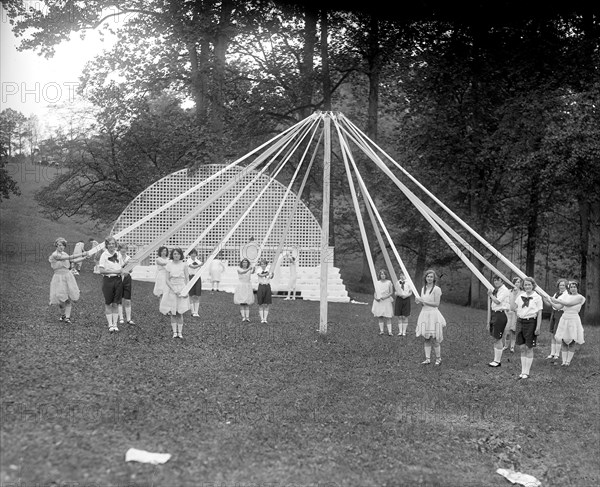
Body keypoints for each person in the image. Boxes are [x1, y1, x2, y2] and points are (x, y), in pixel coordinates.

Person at [48, 237, 87, 323]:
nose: (60, 247)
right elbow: (67, 257)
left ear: (64, 246)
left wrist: (84, 257)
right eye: (59, 245)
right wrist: (83, 254)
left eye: (62, 245)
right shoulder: (54, 255)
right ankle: (63, 315)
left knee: (68, 298)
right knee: (61, 299)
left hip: (68, 276)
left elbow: (73, 260)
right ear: (56, 246)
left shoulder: (65, 254)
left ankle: (67, 317)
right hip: (58, 277)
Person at [512, 276, 543, 379]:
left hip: (531, 322)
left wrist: (538, 327)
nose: (527, 286)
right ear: (523, 286)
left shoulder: (537, 297)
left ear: (533, 285)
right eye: (525, 284)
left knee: (528, 347)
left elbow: (539, 313)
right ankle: (522, 371)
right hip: (520, 321)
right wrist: (515, 294)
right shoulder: (521, 296)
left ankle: (527, 372)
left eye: (529, 284)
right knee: (521, 347)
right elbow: (513, 307)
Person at [415, 269, 446, 365]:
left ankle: (438, 358)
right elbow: (422, 304)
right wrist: (419, 302)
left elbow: (436, 304)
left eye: (431, 277)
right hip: (424, 314)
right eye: (428, 276)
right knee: (426, 337)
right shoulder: (423, 288)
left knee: (435, 338)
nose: (429, 278)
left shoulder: (437, 289)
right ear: (425, 277)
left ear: (434, 278)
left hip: (433, 315)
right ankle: (427, 359)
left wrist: (424, 302)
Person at [551, 280, 586, 366]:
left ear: (577, 288)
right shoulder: (566, 296)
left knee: (572, 341)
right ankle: (563, 361)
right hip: (564, 319)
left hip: (573, 319)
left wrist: (556, 300)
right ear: (569, 288)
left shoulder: (580, 297)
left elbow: (568, 304)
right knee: (563, 340)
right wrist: (550, 301)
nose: (573, 289)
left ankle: (568, 361)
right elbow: (558, 307)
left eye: (574, 287)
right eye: (571, 287)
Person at [98, 236, 128, 332]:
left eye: (113, 243)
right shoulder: (104, 255)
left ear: (115, 245)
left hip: (118, 280)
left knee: (116, 303)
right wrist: (116, 271)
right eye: (109, 243)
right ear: (106, 245)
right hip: (108, 280)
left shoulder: (118, 254)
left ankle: (115, 324)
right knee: (108, 303)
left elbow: (122, 267)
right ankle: (110, 325)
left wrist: (125, 270)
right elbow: (101, 270)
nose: (111, 245)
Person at [159, 248, 190, 338]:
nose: (176, 255)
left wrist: (186, 290)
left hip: (181, 288)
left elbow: (187, 278)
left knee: (180, 311)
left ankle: (180, 332)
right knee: (173, 312)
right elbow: (167, 280)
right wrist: (174, 289)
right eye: (175, 254)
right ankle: (174, 332)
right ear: (172, 255)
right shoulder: (169, 265)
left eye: (178, 254)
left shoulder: (184, 265)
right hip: (172, 289)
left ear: (181, 255)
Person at [486, 275, 511, 367]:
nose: (496, 282)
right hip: (495, 314)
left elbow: (497, 301)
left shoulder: (504, 290)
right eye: (495, 280)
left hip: (501, 314)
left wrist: (490, 295)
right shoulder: (497, 290)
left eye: (498, 280)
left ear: (502, 281)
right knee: (495, 337)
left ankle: (497, 361)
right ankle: (495, 359)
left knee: (498, 338)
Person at [544, 278, 568, 362]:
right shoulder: (556, 293)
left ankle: (557, 354)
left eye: (563, 285)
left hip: (560, 313)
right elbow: (551, 304)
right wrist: (545, 299)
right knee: (553, 333)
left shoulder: (566, 294)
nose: (562, 287)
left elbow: (557, 303)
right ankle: (552, 353)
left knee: (558, 334)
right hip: (554, 312)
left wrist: (551, 301)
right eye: (560, 285)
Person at [117, 243, 135, 326]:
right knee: (119, 299)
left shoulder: (129, 258)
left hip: (127, 279)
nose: (123, 250)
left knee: (127, 299)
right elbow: (117, 268)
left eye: (125, 248)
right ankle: (121, 318)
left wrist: (128, 268)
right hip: (118, 278)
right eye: (122, 248)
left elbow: (131, 270)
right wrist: (124, 265)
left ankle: (128, 319)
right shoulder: (116, 257)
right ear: (119, 249)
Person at [372, 269, 395, 336]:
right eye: (381, 274)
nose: (383, 275)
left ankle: (390, 331)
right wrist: (376, 298)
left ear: (386, 275)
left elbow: (391, 292)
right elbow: (375, 292)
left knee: (388, 316)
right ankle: (381, 331)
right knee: (380, 316)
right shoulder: (377, 283)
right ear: (380, 275)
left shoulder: (389, 282)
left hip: (386, 300)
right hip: (379, 301)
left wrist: (385, 297)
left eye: (384, 274)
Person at [504, 276, 522, 353]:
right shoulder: (508, 292)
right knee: (507, 331)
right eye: (515, 282)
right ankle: (505, 345)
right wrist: (507, 308)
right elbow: (505, 301)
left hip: (516, 314)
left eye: (518, 282)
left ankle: (512, 347)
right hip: (508, 313)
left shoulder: (522, 293)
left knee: (514, 331)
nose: (517, 283)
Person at [256, 258, 274, 323]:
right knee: (260, 303)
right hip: (261, 286)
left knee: (267, 303)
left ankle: (265, 319)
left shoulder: (269, 270)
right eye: (261, 264)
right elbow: (261, 275)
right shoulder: (258, 270)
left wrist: (272, 274)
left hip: (267, 286)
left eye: (264, 264)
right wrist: (267, 274)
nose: (263, 265)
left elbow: (271, 277)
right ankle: (261, 319)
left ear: (266, 264)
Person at [186, 249, 202, 317]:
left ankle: (196, 312)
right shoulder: (188, 260)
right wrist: (200, 265)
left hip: (197, 278)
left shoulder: (198, 261)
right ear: (190, 254)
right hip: (191, 277)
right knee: (191, 294)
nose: (193, 254)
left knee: (197, 295)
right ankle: (192, 311)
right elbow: (192, 266)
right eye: (192, 253)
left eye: (195, 253)